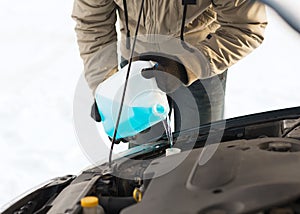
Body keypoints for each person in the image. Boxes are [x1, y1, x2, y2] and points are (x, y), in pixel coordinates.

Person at [72, 0, 267, 143]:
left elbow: (246, 26)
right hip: (136, 69)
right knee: (142, 161)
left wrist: (185, 67)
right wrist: (107, 88)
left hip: (201, 65)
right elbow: (92, 24)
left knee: (200, 155)